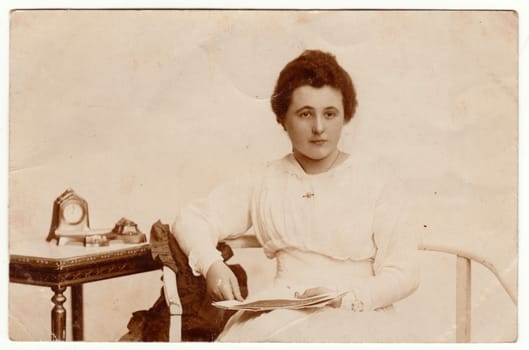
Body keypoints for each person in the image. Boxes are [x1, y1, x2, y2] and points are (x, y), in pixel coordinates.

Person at [172, 49, 420, 342]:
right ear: (283, 119)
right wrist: (212, 264)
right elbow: (191, 218)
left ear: (345, 116)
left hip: (357, 314)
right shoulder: (266, 180)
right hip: (282, 312)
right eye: (305, 114)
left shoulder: (377, 180)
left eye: (330, 114)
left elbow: (404, 273)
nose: (318, 128)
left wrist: (344, 298)